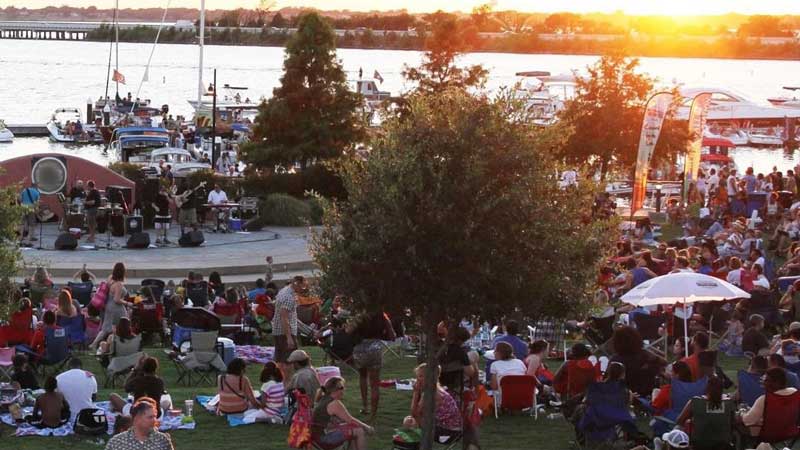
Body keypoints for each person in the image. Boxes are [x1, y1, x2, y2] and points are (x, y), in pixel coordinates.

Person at [349, 308, 396, 420]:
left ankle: (365, 407)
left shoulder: (360, 315)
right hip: (375, 349)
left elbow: (348, 331)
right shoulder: (382, 315)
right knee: (375, 384)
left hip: (360, 348)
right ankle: (373, 414)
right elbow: (393, 336)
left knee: (363, 377)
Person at [312, 377, 374, 450]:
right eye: (342, 388)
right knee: (359, 430)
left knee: (353, 428)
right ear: (337, 389)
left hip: (316, 438)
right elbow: (350, 419)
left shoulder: (323, 398)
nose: (344, 390)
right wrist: (367, 428)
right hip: (324, 439)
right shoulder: (334, 403)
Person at [737, 367, 798, 439]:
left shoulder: (764, 400)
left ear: (772, 382)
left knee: (737, 422)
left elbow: (747, 421)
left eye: (765, 380)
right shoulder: (794, 392)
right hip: (789, 431)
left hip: (768, 434)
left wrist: (741, 412)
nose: (762, 381)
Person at [408, 364, 462, 440]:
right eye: (417, 377)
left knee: (411, 422)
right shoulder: (436, 388)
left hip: (450, 432)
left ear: (431, 377)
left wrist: (416, 392)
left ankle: (418, 445)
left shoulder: (431, 393)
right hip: (452, 428)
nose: (417, 380)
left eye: (420, 376)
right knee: (410, 421)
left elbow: (415, 413)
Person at [610, 326, 667, 396]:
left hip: (626, 394)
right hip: (647, 393)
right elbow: (664, 362)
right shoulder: (645, 355)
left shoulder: (615, 360)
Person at [91, 262, 133, 350]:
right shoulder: (119, 284)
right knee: (123, 323)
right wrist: (127, 303)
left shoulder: (110, 279)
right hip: (116, 308)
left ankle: (95, 344)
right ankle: (123, 343)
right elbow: (116, 299)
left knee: (106, 328)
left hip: (108, 306)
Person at [105, 398, 174, 450]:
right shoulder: (116, 442)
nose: (154, 421)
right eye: (150, 417)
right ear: (137, 419)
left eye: (154, 417)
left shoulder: (162, 440)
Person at [272, 276, 303, 377]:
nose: (302, 290)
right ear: (296, 283)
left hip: (277, 330)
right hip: (285, 332)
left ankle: (279, 382)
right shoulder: (289, 297)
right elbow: (284, 317)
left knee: (280, 360)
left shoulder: (283, 291)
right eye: (302, 287)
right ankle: (287, 382)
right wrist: (289, 337)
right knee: (289, 361)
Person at [56, 358, 98, 425]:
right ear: (81, 367)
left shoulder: (59, 377)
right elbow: (94, 397)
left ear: (68, 366)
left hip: (66, 415)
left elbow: (55, 398)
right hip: (86, 414)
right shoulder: (90, 377)